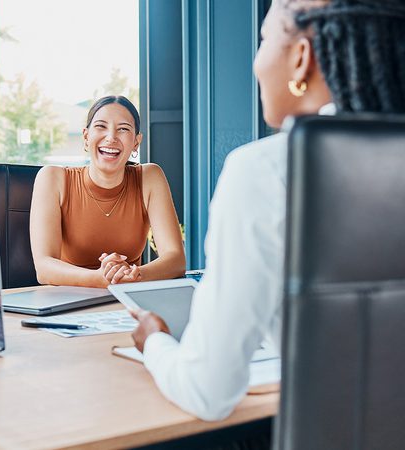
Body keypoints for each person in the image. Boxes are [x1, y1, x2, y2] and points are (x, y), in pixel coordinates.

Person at [131, 0, 405, 422]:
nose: (257, 63)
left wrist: (154, 340)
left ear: (301, 58)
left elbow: (208, 391)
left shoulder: (266, 171)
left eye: (263, 40)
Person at [30, 96, 186, 288]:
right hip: (64, 302)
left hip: (127, 302)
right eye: (101, 126)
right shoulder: (52, 178)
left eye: (123, 129)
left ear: (136, 142)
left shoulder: (150, 177)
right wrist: (103, 278)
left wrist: (133, 275)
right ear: (86, 137)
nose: (111, 137)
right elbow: (44, 269)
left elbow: (176, 259)